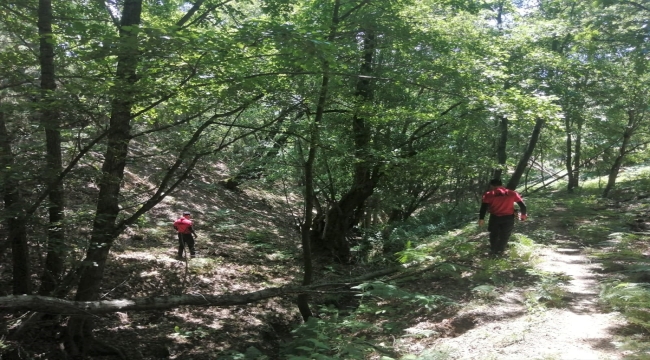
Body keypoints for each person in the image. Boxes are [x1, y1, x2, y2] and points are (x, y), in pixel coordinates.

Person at [478, 179, 527, 255]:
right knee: (505, 235)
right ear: (501, 184)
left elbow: (483, 208)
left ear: (492, 185)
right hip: (508, 218)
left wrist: (481, 218)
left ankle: (493, 251)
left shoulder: (489, 194)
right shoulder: (512, 193)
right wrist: (523, 215)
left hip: (495, 217)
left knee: (494, 234)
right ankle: (500, 251)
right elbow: (522, 206)